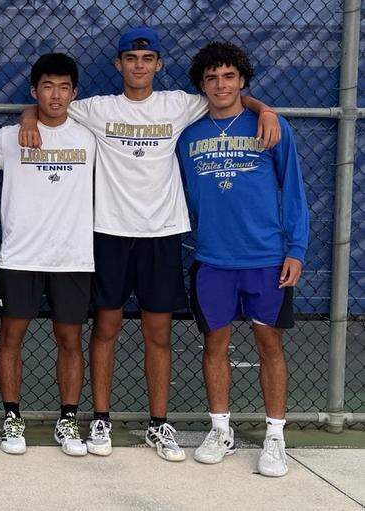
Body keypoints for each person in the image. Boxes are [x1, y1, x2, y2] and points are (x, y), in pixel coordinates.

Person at [19, 26, 281, 461]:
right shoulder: (98, 108)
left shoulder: (179, 104)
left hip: (162, 235)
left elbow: (229, 99)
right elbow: (48, 105)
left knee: (157, 334)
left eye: (147, 59)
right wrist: (29, 117)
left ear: (158, 64)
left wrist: (264, 108)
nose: (139, 66)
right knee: (105, 329)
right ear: (119, 64)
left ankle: (159, 424)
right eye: (130, 59)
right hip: (110, 234)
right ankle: (99, 417)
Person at [178, 42, 308, 477]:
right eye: (212, 78)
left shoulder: (270, 126)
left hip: (266, 258)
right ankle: (221, 429)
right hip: (213, 258)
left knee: (269, 344)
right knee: (214, 343)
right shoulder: (188, 134)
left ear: (242, 81)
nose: (221, 85)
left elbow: (293, 189)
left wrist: (297, 249)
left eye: (229, 76)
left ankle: (275, 436)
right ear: (201, 84)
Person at [0, 54, 96, 457]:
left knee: (70, 338)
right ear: (34, 91)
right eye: (47, 86)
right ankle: (12, 418)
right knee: (12, 337)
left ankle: (68, 419)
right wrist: (27, 120)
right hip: (20, 257)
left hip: (73, 257)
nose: (56, 95)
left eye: (64, 87)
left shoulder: (89, 136)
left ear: (75, 93)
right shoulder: (9, 137)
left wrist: (30, 116)